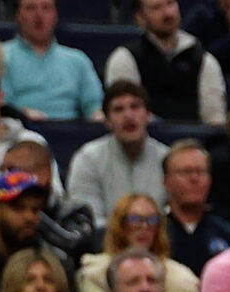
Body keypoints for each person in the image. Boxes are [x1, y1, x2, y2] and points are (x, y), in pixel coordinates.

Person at [77, 199, 211, 292]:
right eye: (135, 219)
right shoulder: (95, 274)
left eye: (152, 220)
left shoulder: (182, 278)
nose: (144, 226)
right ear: (119, 224)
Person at [106, 0, 225, 126]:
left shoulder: (204, 60)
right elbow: (126, 115)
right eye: (156, 8)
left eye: (171, 3)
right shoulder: (125, 58)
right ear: (140, 18)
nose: (168, 13)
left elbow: (214, 117)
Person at [0, 0, 104, 124]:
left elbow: (94, 106)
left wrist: (98, 117)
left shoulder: (78, 60)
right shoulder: (0, 55)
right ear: (18, 15)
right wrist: (22, 115)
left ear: (55, 15)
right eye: (31, 8)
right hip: (19, 131)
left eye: (46, 8)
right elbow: (1, 105)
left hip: (71, 135)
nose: (39, 15)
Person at [67, 84, 164, 220]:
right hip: (104, 240)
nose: (128, 116)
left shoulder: (167, 159)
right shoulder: (88, 159)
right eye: (118, 110)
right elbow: (90, 221)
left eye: (135, 107)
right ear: (108, 121)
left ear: (148, 115)